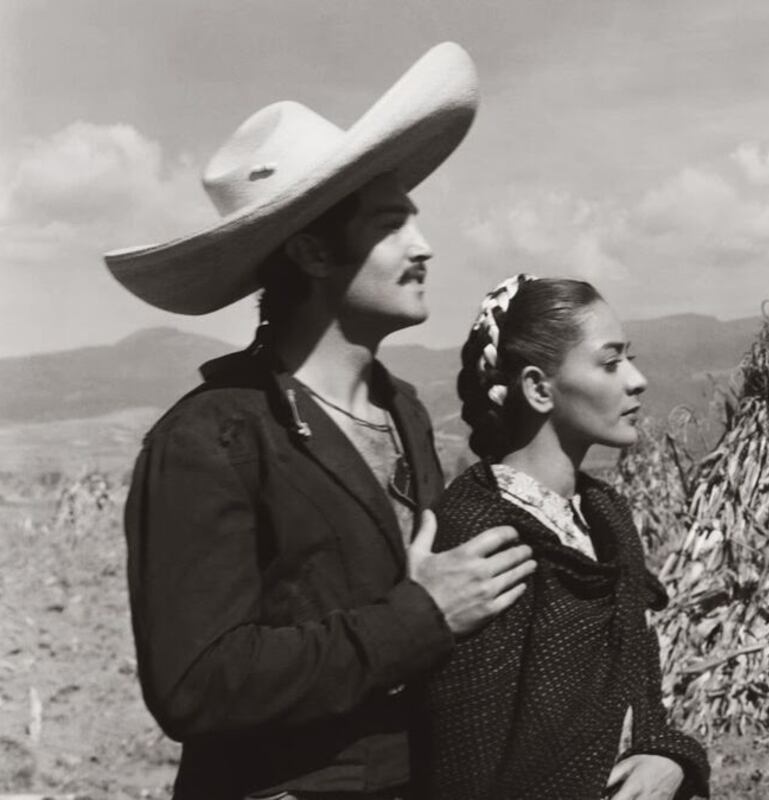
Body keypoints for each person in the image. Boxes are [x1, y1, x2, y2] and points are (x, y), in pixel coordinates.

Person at [107, 43, 535, 800]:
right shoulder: (211, 438)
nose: (424, 246)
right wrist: (420, 618)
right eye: (391, 223)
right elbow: (195, 684)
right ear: (309, 249)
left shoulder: (403, 411)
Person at [413, 275, 710, 799]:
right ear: (538, 388)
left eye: (630, 358)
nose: (637, 380)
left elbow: (641, 712)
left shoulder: (606, 518)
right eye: (610, 362)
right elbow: (465, 765)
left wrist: (669, 757)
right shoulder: (480, 534)